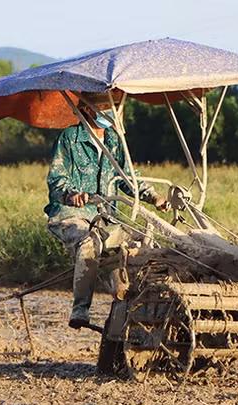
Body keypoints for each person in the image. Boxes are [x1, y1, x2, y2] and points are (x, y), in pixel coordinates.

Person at [45, 94, 169, 329]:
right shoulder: (70, 138)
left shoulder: (114, 140)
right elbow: (56, 178)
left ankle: (142, 306)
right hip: (72, 214)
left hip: (104, 217)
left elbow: (128, 179)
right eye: (102, 107)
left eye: (110, 107)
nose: (107, 112)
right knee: (89, 242)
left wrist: (154, 197)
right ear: (87, 110)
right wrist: (72, 194)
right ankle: (80, 308)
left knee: (143, 241)